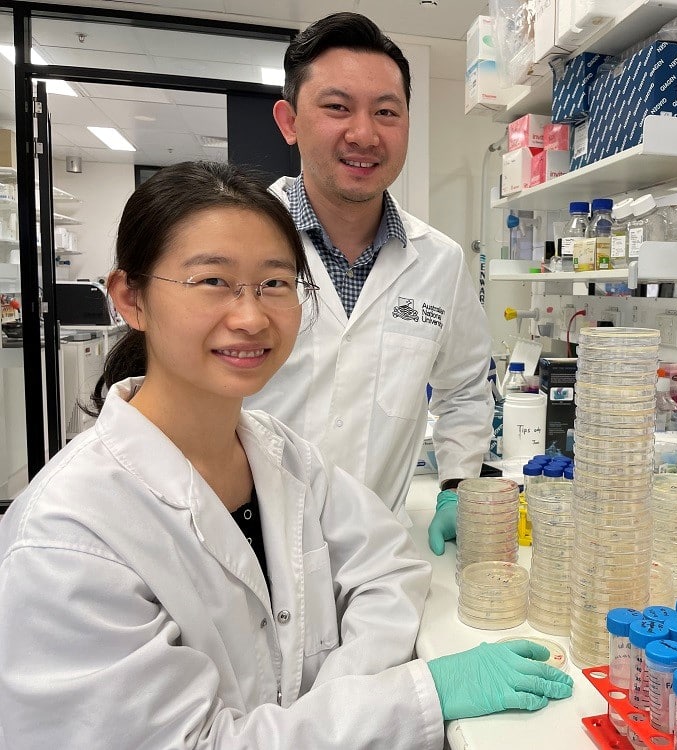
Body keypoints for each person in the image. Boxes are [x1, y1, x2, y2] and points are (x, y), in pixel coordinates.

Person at [0, 162, 571, 748]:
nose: (250, 317)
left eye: (275, 283)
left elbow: (391, 569)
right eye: (211, 282)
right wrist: (402, 701)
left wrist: (340, 704)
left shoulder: (281, 456)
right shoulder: (67, 538)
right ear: (131, 299)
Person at [247, 11, 492, 555]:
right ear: (289, 121)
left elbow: (467, 387)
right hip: (244, 548)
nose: (364, 134)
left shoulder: (439, 261)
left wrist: (457, 486)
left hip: (376, 557)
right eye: (337, 107)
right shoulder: (236, 243)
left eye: (386, 112)